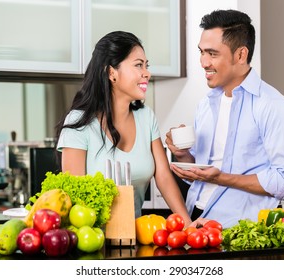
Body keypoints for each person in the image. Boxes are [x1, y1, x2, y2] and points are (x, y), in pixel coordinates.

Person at [165, 10, 284, 229]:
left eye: (212, 54)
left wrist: (221, 178)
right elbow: (204, 175)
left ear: (241, 55)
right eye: (201, 52)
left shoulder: (275, 107)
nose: (203, 62)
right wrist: (184, 157)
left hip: (242, 233)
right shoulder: (206, 105)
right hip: (197, 222)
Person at [56, 31, 191, 224]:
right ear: (112, 72)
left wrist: (188, 224)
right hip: (92, 239)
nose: (147, 73)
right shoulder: (80, 123)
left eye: (146, 66)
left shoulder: (146, 117)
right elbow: (74, 196)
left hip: (134, 237)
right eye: (138, 65)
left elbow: (163, 176)